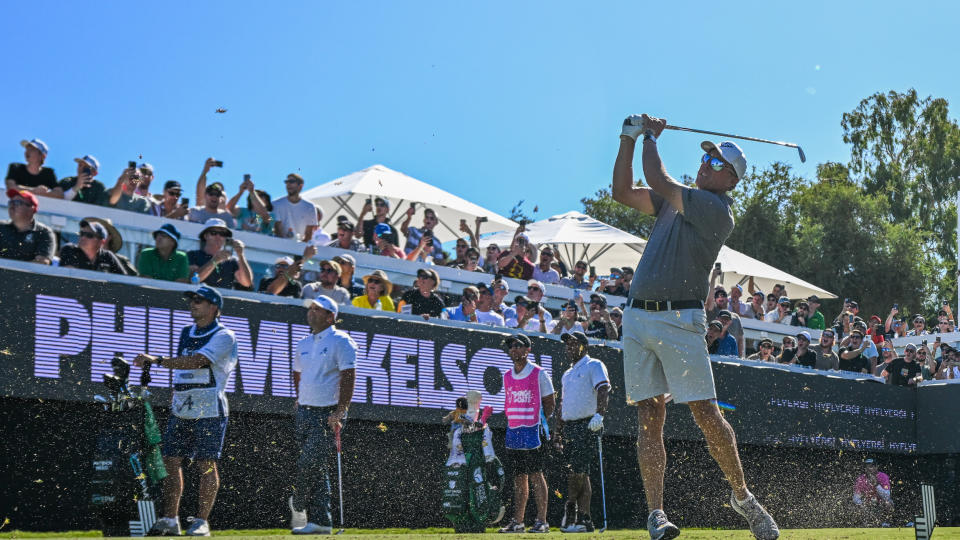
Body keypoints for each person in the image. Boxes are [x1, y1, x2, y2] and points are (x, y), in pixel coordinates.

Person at [612, 113, 778, 539]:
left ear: (731, 182)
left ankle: (742, 497)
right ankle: (656, 514)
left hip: (679, 319)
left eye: (717, 164)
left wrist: (650, 136)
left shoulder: (715, 209)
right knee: (650, 415)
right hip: (637, 318)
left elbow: (658, 177)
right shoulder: (676, 200)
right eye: (706, 159)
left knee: (706, 414)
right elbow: (621, 192)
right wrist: (627, 139)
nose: (707, 165)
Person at [134, 286, 238, 537]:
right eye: (191, 300)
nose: (193, 304)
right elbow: (184, 370)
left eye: (199, 301)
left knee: (206, 464)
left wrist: (157, 361)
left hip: (210, 407)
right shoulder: (185, 332)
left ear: (214, 308)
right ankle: (171, 520)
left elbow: (197, 361)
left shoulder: (225, 335)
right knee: (170, 461)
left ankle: (202, 522)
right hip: (181, 406)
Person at [289, 296, 357, 535]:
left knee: (309, 462)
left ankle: (298, 502)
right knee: (317, 468)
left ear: (330, 317)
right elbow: (298, 374)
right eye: (311, 309)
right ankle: (321, 521)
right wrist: (300, 400)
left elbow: (348, 376)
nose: (312, 312)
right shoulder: (303, 343)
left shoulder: (342, 341)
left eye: (318, 310)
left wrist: (341, 410)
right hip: (305, 411)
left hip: (329, 413)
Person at [496, 334, 555, 534]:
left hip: (534, 431)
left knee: (536, 475)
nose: (513, 349)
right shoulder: (506, 375)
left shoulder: (539, 373)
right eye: (510, 346)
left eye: (517, 345)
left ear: (528, 349)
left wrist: (538, 422)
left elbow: (550, 403)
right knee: (519, 477)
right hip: (514, 431)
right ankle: (518, 522)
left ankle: (542, 521)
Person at [553, 331, 609, 533]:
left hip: (587, 425)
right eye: (567, 345)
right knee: (581, 472)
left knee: (577, 470)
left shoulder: (593, 364)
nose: (569, 348)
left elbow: (603, 389)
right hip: (570, 426)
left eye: (573, 344)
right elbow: (562, 405)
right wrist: (557, 432)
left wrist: (599, 415)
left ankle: (570, 508)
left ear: (584, 346)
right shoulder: (567, 373)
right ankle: (585, 520)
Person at [186, 219, 253, 290]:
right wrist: (215, 260)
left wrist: (241, 255)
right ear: (205, 236)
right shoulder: (192, 255)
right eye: (214, 233)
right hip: (198, 298)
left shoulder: (232, 261)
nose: (218, 236)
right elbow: (193, 279)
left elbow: (246, 283)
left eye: (222, 234)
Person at [0, 189, 55, 264]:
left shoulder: (44, 233)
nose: (12, 205)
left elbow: (42, 262)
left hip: (25, 276)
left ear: (31, 208)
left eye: (17, 202)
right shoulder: (1, 227)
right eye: (11, 202)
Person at [58, 220, 127, 274]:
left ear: (101, 242)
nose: (83, 237)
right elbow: (69, 278)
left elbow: (124, 280)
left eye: (89, 235)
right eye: (82, 234)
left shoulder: (108, 256)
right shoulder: (70, 249)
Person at [190, 159, 237, 227]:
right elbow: (200, 192)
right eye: (211, 193)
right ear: (205, 196)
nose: (214, 197)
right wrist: (205, 171)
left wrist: (249, 191)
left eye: (218, 194)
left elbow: (257, 216)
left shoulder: (228, 216)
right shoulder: (197, 211)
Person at [272, 174, 318, 241]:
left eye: (291, 181)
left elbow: (308, 234)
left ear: (301, 186)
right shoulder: (276, 204)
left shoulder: (310, 207)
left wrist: (300, 248)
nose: (288, 184)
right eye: (286, 182)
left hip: (300, 247)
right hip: (280, 245)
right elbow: (278, 231)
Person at [852, 459, 893, 527]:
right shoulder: (861, 479)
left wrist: (876, 485)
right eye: (866, 467)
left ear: (876, 467)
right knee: (856, 507)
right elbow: (856, 498)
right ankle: (864, 524)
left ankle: (886, 523)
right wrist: (862, 504)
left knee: (888, 503)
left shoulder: (883, 476)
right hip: (867, 504)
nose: (869, 469)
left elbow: (887, 496)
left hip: (880, 503)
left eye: (871, 466)